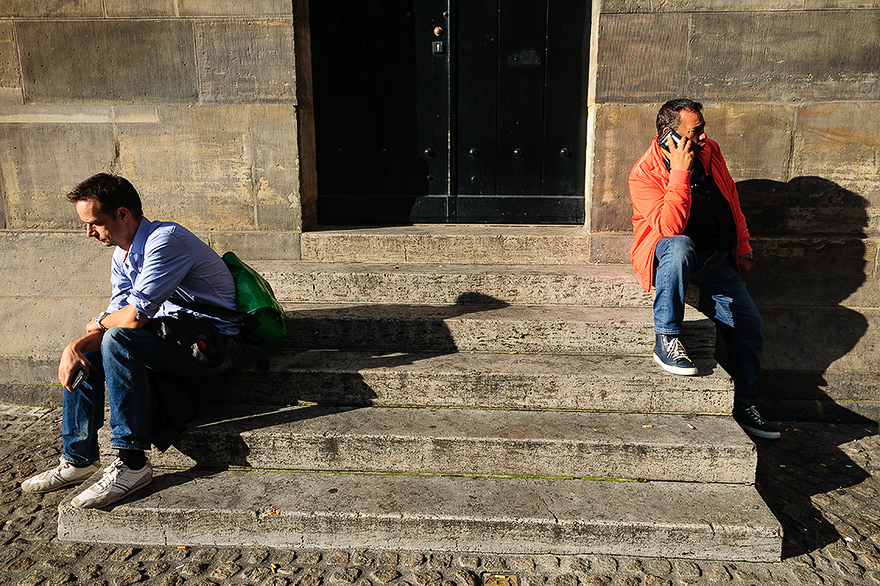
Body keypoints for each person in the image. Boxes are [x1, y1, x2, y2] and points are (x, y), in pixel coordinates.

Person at [20, 173, 246, 507]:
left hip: (215, 348)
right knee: (90, 354)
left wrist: (97, 324)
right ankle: (79, 459)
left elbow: (131, 319)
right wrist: (75, 348)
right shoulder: (122, 256)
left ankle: (132, 463)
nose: (89, 233)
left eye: (94, 223)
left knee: (118, 341)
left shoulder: (166, 240)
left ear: (123, 215)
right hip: (175, 341)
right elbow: (114, 321)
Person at [628, 99, 779, 440]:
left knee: (749, 326)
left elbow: (731, 199)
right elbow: (670, 228)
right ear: (669, 136)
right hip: (672, 257)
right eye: (694, 132)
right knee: (680, 245)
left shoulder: (710, 151)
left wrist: (742, 247)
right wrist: (680, 172)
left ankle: (744, 405)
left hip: (717, 260)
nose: (703, 136)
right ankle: (666, 337)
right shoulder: (644, 173)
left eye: (701, 128)